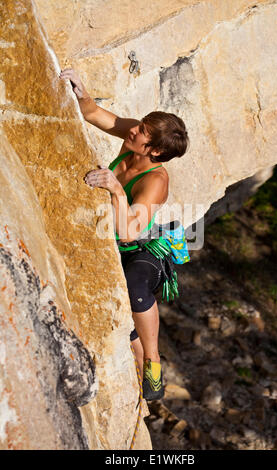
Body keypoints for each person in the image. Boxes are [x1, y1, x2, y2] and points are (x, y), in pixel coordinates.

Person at [60, 69, 189, 400]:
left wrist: (118, 191)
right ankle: (136, 370)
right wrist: (81, 91)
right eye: (140, 124)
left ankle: (153, 360)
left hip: (142, 249)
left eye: (142, 131)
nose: (132, 129)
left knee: (133, 284)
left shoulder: (156, 180)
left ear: (156, 151)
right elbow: (94, 114)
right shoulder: (135, 138)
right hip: (115, 239)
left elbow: (130, 231)